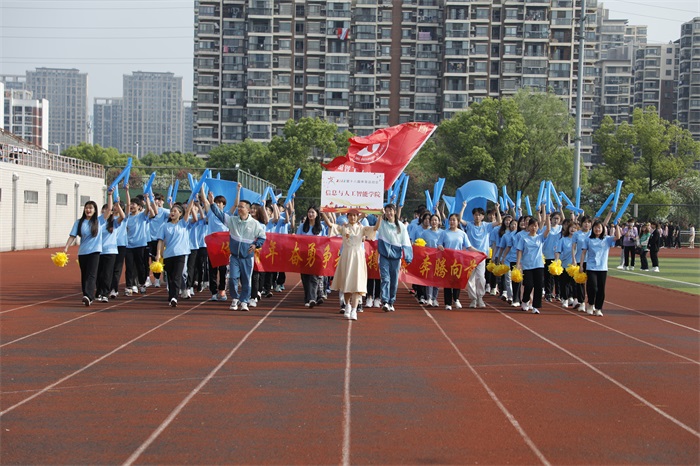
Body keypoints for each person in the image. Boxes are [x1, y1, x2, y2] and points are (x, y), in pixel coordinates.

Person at [209, 183, 267, 312]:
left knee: (246, 280)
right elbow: (219, 214)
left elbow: (263, 237)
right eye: (238, 207)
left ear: (247, 209)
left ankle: (244, 301)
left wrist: (256, 245)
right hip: (235, 256)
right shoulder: (232, 220)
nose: (239, 209)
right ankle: (235, 299)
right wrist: (212, 203)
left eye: (241, 207)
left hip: (247, 257)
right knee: (233, 278)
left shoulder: (255, 224)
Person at [322, 209, 382, 321]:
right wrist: (323, 212)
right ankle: (347, 306)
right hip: (346, 256)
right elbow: (330, 225)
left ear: (357, 216)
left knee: (357, 284)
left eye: (355, 216)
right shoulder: (344, 227)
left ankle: (354, 310)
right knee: (346, 284)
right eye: (351, 215)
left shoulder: (362, 228)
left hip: (358, 257)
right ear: (347, 216)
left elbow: (375, 228)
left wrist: (380, 216)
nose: (353, 218)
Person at [460, 202, 502, 308]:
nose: (477, 216)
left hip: (482, 256)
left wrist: (497, 208)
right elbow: (460, 219)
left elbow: (499, 221)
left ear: (482, 216)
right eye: (475, 214)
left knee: (480, 277)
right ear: (473, 216)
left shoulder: (486, 226)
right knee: (470, 278)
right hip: (470, 256)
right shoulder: (469, 225)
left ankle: (480, 298)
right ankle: (473, 299)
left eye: (479, 215)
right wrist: (463, 207)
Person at [64, 200, 103, 306]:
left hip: (95, 252)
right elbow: (72, 235)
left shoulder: (99, 221)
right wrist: (66, 247)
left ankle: (89, 296)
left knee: (91, 274)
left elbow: (108, 209)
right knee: (85, 275)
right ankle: (86, 295)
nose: (88, 210)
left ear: (95, 210)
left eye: (91, 208)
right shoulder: (79, 222)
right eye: (86, 208)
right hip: (83, 252)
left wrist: (109, 195)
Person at [155, 201, 195, 307]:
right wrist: (158, 254)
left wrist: (192, 200)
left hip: (181, 254)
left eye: (175, 211)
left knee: (177, 275)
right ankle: (171, 295)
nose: (172, 213)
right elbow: (160, 241)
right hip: (168, 255)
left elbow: (188, 211)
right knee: (170, 277)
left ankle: (174, 297)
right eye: (171, 211)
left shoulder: (183, 223)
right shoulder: (164, 226)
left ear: (180, 213)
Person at [579, 220, 622, 316]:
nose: (597, 229)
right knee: (593, 287)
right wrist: (581, 265)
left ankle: (598, 308)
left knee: (601, 289)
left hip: (602, 268)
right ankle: (590, 304)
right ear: (592, 228)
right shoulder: (588, 239)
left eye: (599, 227)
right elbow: (583, 253)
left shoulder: (606, 239)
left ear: (603, 229)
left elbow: (618, 237)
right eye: (595, 227)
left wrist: (617, 225)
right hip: (591, 267)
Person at [376, 203, 413, 312]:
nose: (389, 213)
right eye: (387, 211)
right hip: (384, 256)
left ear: (395, 212)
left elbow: (406, 241)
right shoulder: (382, 224)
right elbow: (376, 228)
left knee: (394, 281)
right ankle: (385, 302)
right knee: (385, 279)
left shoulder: (401, 226)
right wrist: (379, 215)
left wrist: (408, 256)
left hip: (396, 257)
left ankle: (391, 301)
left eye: (391, 211)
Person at [515, 205, 551, 314]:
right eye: (532, 226)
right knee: (529, 284)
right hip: (527, 265)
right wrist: (518, 264)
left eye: (535, 226)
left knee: (539, 286)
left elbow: (548, 229)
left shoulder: (540, 237)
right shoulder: (523, 238)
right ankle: (525, 300)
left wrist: (547, 215)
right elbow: (519, 251)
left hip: (538, 264)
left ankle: (536, 306)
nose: (534, 228)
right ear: (528, 227)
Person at [439, 213, 479, 310]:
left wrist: (480, 252)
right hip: (447, 260)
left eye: (454, 220)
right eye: (450, 220)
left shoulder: (462, 234)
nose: (452, 222)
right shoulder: (444, 233)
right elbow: (439, 244)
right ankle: (448, 303)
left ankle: (456, 299)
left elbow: (469, 247)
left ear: (457, 222)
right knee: (447, 282)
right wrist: (440, 247)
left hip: (458, 261)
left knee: (457, 281)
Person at [200, 186, 229, 301]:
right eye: (216, 202)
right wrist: (202, 187)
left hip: (223, 246)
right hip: (212, 245)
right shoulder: (210, 213)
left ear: (224, 205)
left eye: (220, 203)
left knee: (223, 269)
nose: (217, 204)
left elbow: (236, 205)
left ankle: (222, 290)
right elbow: (205, 201)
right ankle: (213, 292)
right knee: (212, 268)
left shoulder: (226, 216)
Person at [96, 191, 126, 302]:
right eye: (104, 210)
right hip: (98, 251)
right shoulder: (98, 222)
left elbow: (123, 216)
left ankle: (105, 293)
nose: (106, 211)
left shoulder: (113, 222)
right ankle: (98, 292)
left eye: (108, 210)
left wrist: (117, 204)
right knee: (98, 273)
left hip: (111, 251)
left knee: (107, 273)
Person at [296, 206, 326, 308]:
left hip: (315, 256)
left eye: (313, 212)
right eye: (309, 212)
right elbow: (297, 239)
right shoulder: (302, 226)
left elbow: (324, 240)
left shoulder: (321, 227)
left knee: (314, 277)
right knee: (305, 278)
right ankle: (307, 298)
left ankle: (312, 298)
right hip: (304, 255)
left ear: (317, 214)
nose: (310, 214)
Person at [124, 186, 150, 296]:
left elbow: (148, 209)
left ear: (139, 207)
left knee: (140, 266)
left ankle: (142, 284)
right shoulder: (127, 217)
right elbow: (128, 204)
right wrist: (127, 191)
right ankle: (129, 286)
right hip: (129, 245)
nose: (131, 207)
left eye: (134, 205)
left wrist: (147, 198)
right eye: (131, 205)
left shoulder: (142, 216)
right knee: (129, 266)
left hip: (140, 245)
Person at [418, 214, 444, 307]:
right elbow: (422, 244)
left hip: (439, 259)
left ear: (439, 222)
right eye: (432, 220)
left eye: (436, 220)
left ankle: (434, 298)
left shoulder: (442, 233)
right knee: (429, 278)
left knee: (437, 279)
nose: (434, 222)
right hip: (429, 259)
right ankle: (429, 298)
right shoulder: (425, 233)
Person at [554, 219, 578, 308]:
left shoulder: (579, 240)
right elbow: (558, 251)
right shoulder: (563, 239)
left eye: (575, 228)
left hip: (575, 265)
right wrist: (556, 261)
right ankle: (565, 298)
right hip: (565, 264)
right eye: (571, 228)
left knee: (575, 283)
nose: (572, 229)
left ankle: (575, 299)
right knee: (565, 283)